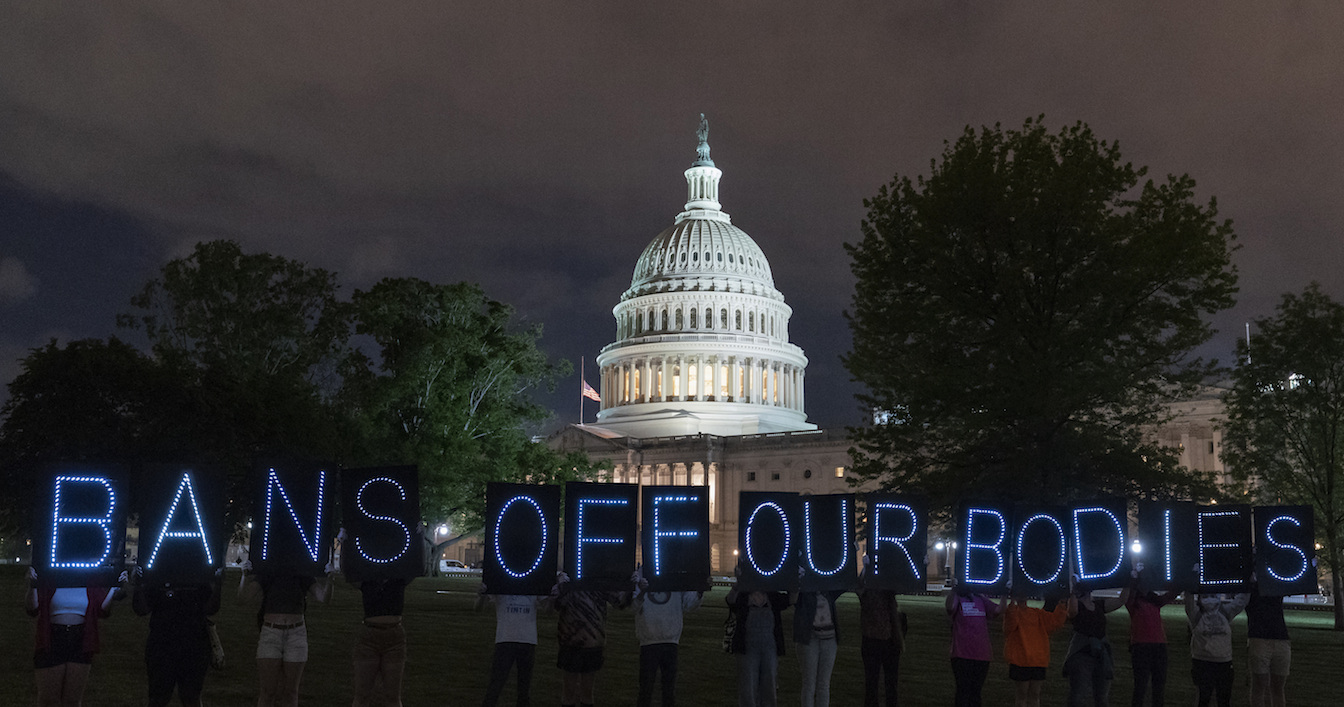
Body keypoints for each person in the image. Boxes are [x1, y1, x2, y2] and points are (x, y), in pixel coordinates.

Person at [238, 558, 335, 707]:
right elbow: (243, 598)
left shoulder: (303, 573)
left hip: (296, 634)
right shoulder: (268, 572)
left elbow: (323, 598)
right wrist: (244, 576)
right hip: (271, 633)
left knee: (291, 692)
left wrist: (330, 579)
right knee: (267, 692)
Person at [26, 567, 128, 707]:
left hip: (81, 640)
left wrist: (115, 587)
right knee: (48, 700)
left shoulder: (91, 580)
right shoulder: (49, 577)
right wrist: (33, 585)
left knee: (73, 701)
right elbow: (32, 609)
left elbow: (103, 610)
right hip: (52, 639)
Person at [131, 566, 224, 707]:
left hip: (190, 646)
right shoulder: (160, 577)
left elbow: (211, 609)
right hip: (165, 646)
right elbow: (141, 609)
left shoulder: (196, 578)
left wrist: (217, 585)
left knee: (189, 696)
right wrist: (138, 586)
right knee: (160, 697)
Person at [553, 571, 630, 707]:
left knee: (586, 691)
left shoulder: (599, 579)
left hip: (588, 641)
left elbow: (619, 601)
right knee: (570, 691)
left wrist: (630, 584)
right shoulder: (569, 578)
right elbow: (556, 604)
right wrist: (563, 586)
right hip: (574, 641)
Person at [630, 564, 703, 707]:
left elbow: (689, 603)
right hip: (654, 641)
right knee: (649, 690)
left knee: (665, 692)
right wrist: (641, 592)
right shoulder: (641, 574)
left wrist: (700, 590)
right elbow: (633, 606)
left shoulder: (673, 572)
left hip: (665, 640)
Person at [726, 563, 790, 707]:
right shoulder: (742, 596)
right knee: (748, 686)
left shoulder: (772, 596)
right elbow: (730, 601)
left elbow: (791, 600)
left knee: (769, 684)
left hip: (769, 647)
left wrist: (795, 579)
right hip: (747, 646)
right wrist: (738, 583)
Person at [476, 581, 548, 707]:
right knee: (496, 684)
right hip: (507, 640)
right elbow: (478, 608)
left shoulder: (534, 582)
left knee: (523, 688)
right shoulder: (501, 582)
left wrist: (552, 597)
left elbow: (548, 610)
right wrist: (481, 595)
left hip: (525, 640)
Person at [1064, 582, 1129, 707]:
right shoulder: (1077, 606)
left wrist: (1127, 582)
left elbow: (1121, 600)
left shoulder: (1099, 605)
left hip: (1100, 655)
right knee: (1078, 696)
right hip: (1081, 655)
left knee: (1101, 697)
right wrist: (1072, 593)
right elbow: (1072, 611)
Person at [944, 578, 1006, 707]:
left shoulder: (980, 599)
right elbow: (949, 607)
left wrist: (1005, 593)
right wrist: (953, 589)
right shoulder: (958, 598)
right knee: (963, 691)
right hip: (961, 654)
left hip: (982, 655)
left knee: (976, 693)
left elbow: (999, 610)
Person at [351, 576, 411, 707]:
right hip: (369, 636)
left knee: (393, 696)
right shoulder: (366, 579)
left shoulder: (399, 578)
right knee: (362, 694)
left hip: (394, 637)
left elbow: (418, 565)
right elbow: (350, 572)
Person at [1003, 592, 1069, 707]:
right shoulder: (1014, 612)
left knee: (1034, 694)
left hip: (1037, 660)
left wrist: (1062, 604)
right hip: (1021, 660)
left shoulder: (1037, 613)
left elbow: (1055, 622)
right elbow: (1009, 626)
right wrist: (1012, 604)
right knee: (1022, 695)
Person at [1185, 591, 1249, 707]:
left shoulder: (1225, 612)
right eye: (1205, 596)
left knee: (1224, 700)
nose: (1210, 599)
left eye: (1213, 596)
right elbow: (1188, 598)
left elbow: (1242, 601)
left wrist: (1249, 585)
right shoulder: (1196, 614)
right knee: (1202, 699)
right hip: (1203, 663)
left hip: (1223, 664)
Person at [1123, 568, 1177, 707]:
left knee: (1154, 687)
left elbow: (1171, 595)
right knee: (1142, 686)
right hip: (1148, 646)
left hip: (1149, 645)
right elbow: (1170, 595)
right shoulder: (1137, 602)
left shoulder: (1148, 602)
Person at [857, 556, 904, 707]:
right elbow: (858, 588)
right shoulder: (869, 590)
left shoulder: (888, 589)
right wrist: (865, 569)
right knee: (872, 683)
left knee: (890, 684)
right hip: (873, 640)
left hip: (889, 640)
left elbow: (907, 582)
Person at [793, 586, 847, 707]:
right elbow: (793, 597)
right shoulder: (804, 592)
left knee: (823, 684)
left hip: (829, 640)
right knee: (809, 684)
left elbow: (845, 583)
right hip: (809, 639)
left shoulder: (828, 591)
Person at [1245, 580, 1289, 707]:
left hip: (1280, 638)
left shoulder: (1277, 583)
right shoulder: (1250, 587)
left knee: (1278, 687)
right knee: (1259, 684)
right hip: (1260, 639)